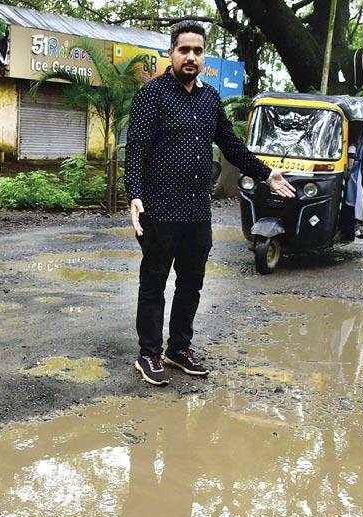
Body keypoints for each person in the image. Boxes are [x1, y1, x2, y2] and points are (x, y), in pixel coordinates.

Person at [124, 20, 295, 386]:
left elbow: (231, 146)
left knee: (191, 283)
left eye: (197, 51)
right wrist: (135, 195)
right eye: (183, 49)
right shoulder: (152, 95)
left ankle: (178, 348)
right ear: (170, 53)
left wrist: (267, 174)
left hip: (197, 213)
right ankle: (149, 353)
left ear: (204, 56)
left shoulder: (209, 98)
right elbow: (136, 148)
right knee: (153, 284)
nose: (190, 56)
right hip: (160, 209)